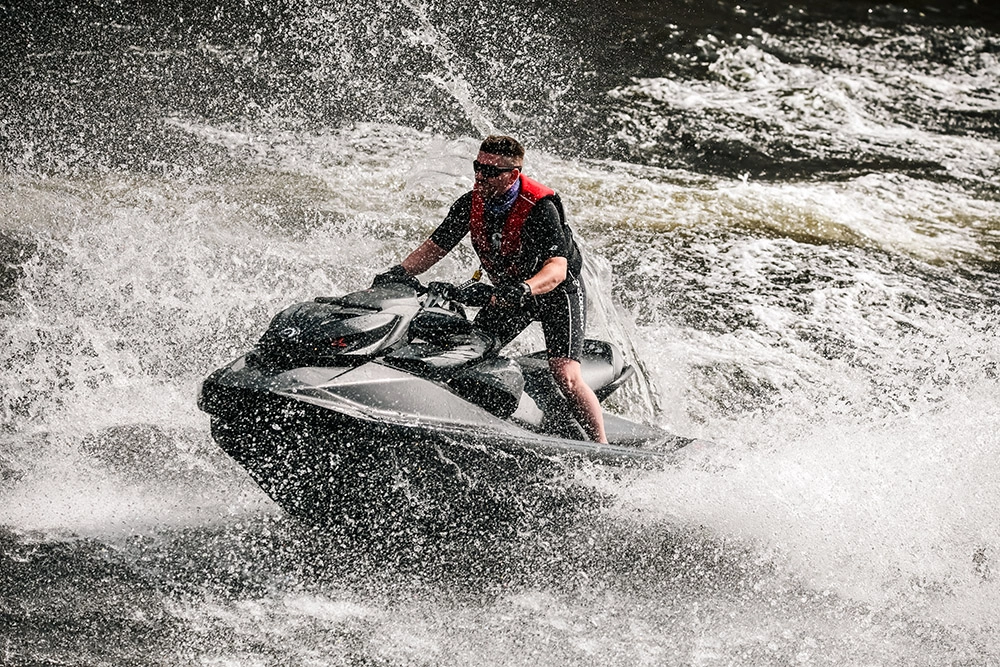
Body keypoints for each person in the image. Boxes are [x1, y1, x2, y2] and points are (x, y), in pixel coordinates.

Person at [373, 135, 607, 444]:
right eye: (478, 167)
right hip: (512, 292)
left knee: (565, 373)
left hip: (554, 294)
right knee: (470, 349)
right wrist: (398, 273)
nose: (480, 176)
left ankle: (601, 446)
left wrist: (524, 289)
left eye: (490, 171)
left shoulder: (541, 207)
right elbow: (433, 248)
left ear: (513, 174)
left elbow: (557, 269)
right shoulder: (470, 204)